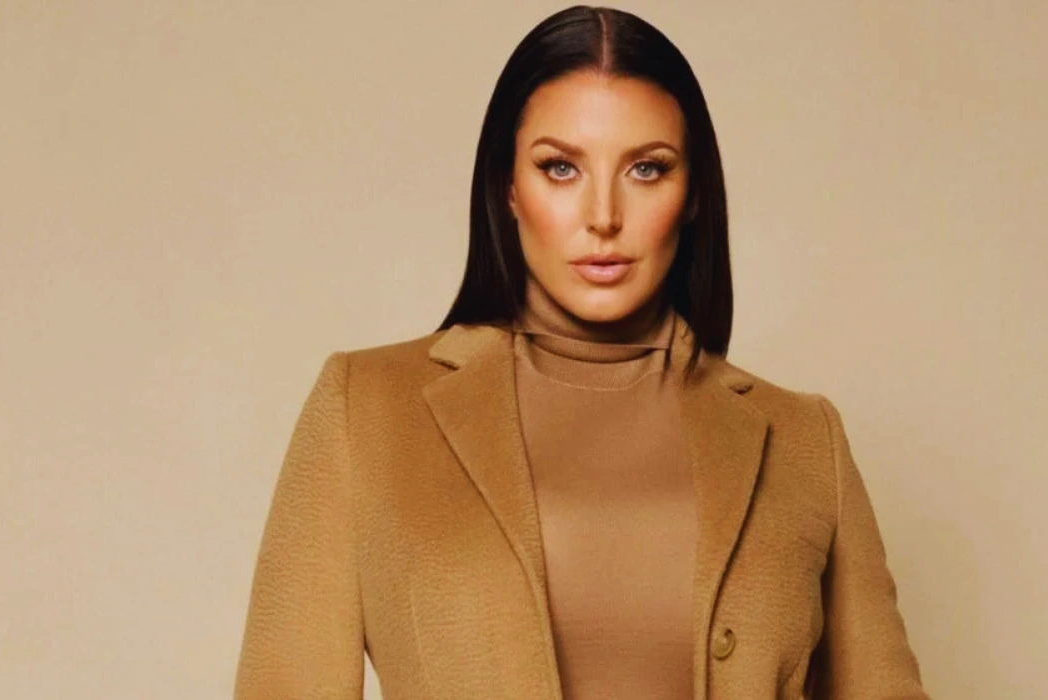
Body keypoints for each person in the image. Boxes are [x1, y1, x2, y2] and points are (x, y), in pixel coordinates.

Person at [233, 5, 927, 699]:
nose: (603, 217)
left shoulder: (805, 442)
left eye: (646, 169)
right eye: (561, 168)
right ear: (507, 186)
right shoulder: (365, 409)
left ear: (692, 194)